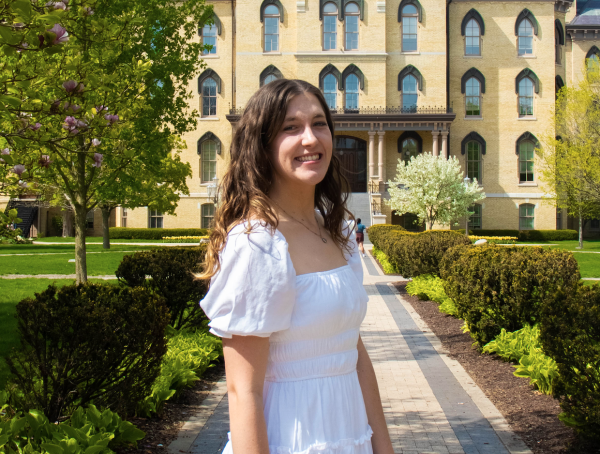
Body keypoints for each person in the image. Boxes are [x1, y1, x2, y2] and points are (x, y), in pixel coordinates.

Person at [198, 79, 394, 454]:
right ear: (263, 144)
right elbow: (243, 391)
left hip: (350, 437)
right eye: (291, 128)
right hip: (291, 440)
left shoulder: (336, 233)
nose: (310, 138)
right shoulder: (257, 244)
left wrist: (383, 448)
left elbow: (354, 353)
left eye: (319, 123)